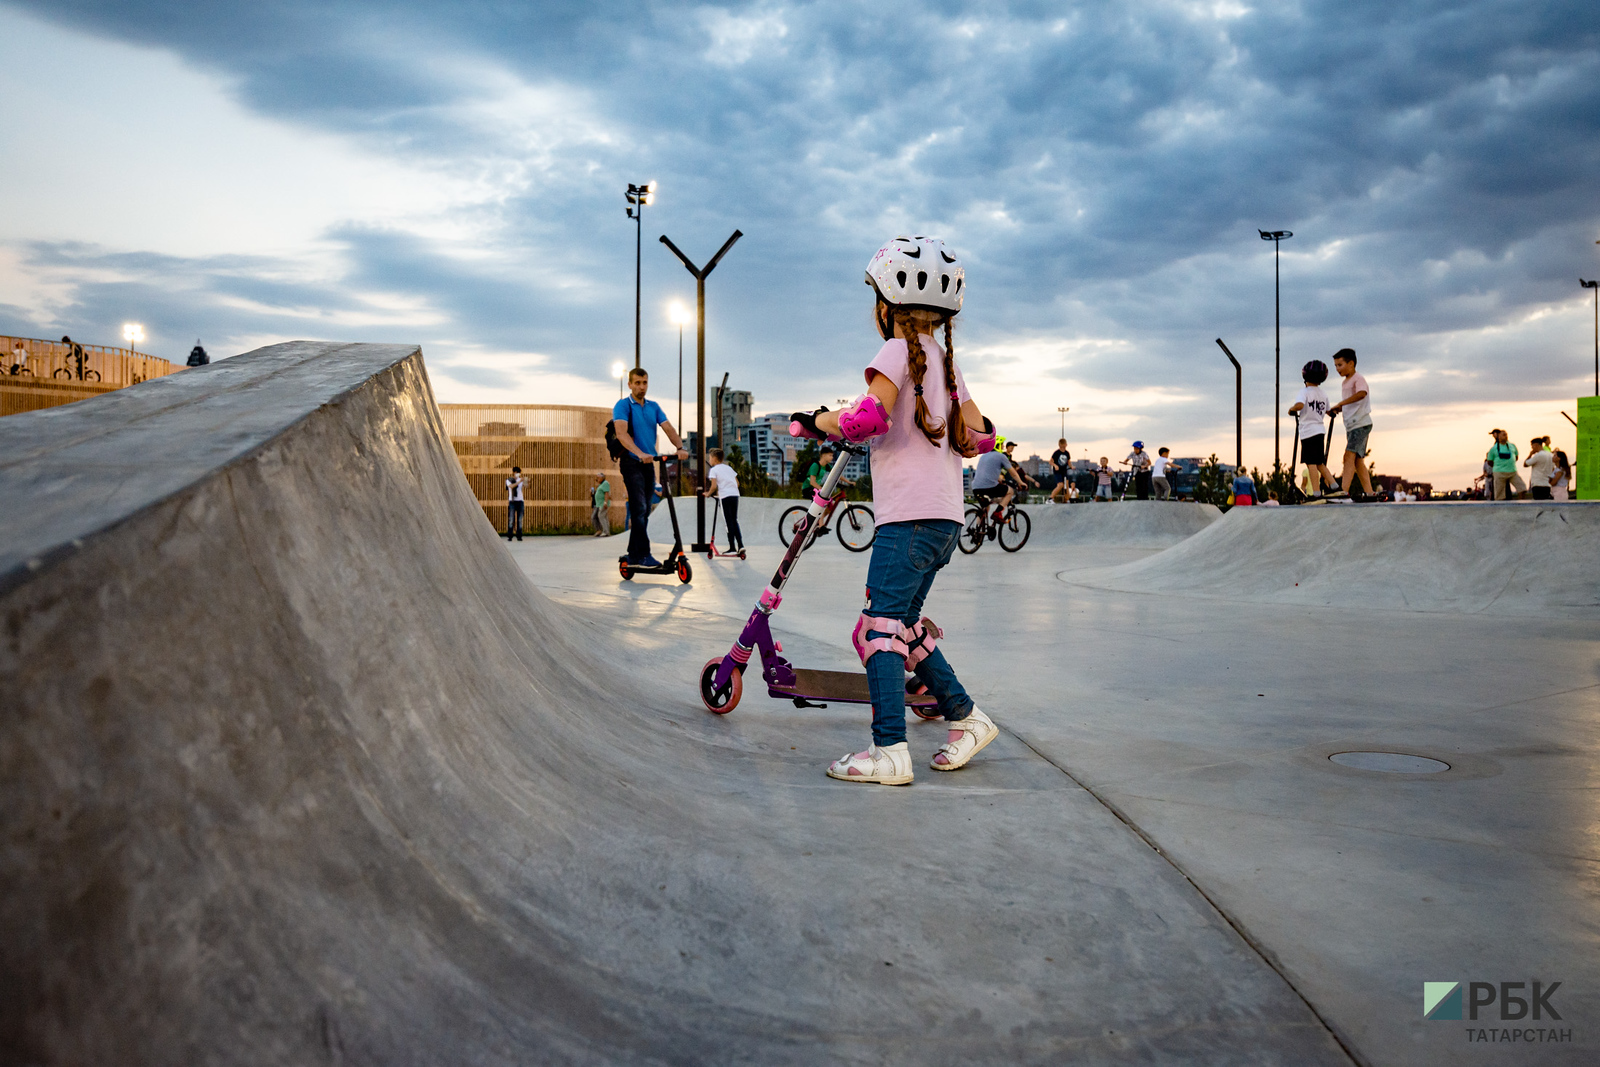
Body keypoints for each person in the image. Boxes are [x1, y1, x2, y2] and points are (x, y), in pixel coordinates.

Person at [789, 234, 998, 786]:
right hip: (947, 518)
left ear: (886, 304)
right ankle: (968, 717)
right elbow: (982, 435)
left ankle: (889, 750)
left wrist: (816, 420)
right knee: (902, 625)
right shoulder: (945, 363)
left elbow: (863, 421)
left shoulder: (894, 353)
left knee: (876, 629)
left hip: (906, 518)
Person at [612, 367, 689, 566]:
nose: (641, 387)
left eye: (644, 383)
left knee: (644, 511)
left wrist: (680, 447)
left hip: (648, 464)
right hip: (631, 463)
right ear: (629, 384)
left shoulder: (654, 407)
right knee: (639, 509)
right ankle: (644, 554)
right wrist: (639, 453)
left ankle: (633, 553)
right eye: (637, 383)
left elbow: (668, 428)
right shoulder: (623, 406)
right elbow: (621, 434)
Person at [1326, 349, 1375, 500]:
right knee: (1357, 460)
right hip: (1352, 425)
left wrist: (1342, 403)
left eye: (1340, 365)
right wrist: (1339, 407)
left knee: (1348, 456)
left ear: (1351, 363)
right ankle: (1370, 492)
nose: (1337, 369)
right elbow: (1351, 402)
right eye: (1335, 366)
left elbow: (1361, 394)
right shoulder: (1345, 382)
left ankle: (1343, 491)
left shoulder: (1358, 379)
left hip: (1360, 424)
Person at [1287, 359, 1334, 498]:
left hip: (1308, 432)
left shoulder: (1304, 392)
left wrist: (1291, 409)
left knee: (1311, 463)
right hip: (1320, 431)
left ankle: (1316, 492)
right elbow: (1329, 410)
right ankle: (1334, 485)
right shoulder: (1323, 394)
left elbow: (1300, 405)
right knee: (1320, 462)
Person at [706, 447, 745, 555]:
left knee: (728, 522)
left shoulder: (713, 470)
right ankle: (740, 545)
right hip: (735, 495)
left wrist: (708, 494)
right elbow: (737, 483)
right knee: (734, 520)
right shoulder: (728, 468)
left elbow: (713, 486)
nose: (709, 460)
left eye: (710, 458)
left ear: (714, 458)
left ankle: (732, 547)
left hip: (725, 497)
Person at [970, 436, 1018, 522]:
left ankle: (975, 530)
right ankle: (997, 513)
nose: (1003, 447)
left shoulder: (984, 456)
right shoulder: (1001, 456)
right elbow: (1013, 473)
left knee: (985, 508)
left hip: (975, 488)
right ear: (998, 445)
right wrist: (1021, 482)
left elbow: (988, 473)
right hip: (989, 487)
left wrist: (1000, 479)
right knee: (1010, 491)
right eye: (1002, 444)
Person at [1485, 428, 1523, 500]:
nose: (1493, 435)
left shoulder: (1506, 445)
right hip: (1501, 471)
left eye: (1494, 434)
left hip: (1506, 470)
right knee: (1501, 489)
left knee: (1503, 489)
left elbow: (1515, 456)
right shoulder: (1496, 446)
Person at [504, 466, 526, 540]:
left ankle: (519, 535)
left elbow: (527, 486)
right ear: (514, 473)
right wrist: (519, 482)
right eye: (517, 473)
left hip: (520, 501)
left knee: (520, 519)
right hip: (512, 501)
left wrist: (526, 481)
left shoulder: (521, 480)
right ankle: (510, 535)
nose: (518, 474)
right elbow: (511, 486)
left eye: (519, 473)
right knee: (511, 519)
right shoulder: (509, 480)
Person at [1049, 438, 1073, 503]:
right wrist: (1055, 465)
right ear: (1059, 445)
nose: (1063, 448)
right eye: (1061, 446)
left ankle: (1067, 499)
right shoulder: (1056, 453)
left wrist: (1071, 466)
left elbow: (1068, 462)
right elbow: (1050, 462)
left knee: (1066, 485)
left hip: (1064, 471)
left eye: (1064, 446)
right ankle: (1050, 498)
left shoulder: (1067, 453)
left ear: (1066, 445)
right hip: (1058, 472)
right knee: (1060, 485)